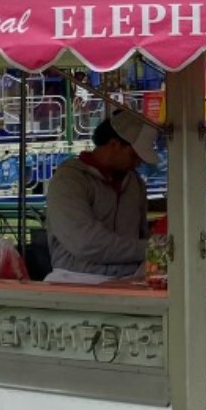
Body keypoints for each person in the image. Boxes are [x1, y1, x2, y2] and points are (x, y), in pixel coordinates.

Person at [43, 107, 158, 284]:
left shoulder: (135, 183)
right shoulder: (69, 180)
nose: (138, 163)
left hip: (130, 279)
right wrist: (152, 248)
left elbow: (141, 233)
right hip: (76, 281)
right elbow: (86, 243)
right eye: (133, 156)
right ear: (114, 145)